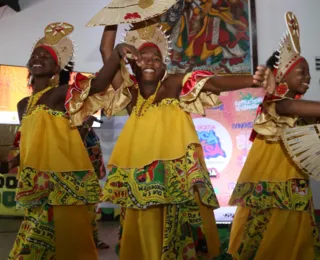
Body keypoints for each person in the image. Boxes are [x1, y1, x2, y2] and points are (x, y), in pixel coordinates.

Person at [97, 20, 273, 259]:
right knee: (144, 232)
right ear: (132, 62)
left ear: (163, 66)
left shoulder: (175, 84)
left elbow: (214, 83)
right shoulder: (130, 94)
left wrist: (253, 81)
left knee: (183, 232)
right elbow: (107, 52)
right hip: (141, 176)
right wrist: (113, 19)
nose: (150, 61)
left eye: (156, 58)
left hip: (178, 174)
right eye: (143, 56)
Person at [0, 22, 119, 260]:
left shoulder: (60, 93)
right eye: (35, 55)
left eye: (46, 56)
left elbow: (98, 85)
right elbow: (27, 144)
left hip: (64, 184)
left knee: (64, 246)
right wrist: (8, 165)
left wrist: (115, 53)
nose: (38, 58)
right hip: (38, 184)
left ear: (57, 67)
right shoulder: (24, 104)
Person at [228, 12, 320, 260]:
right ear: (282, 75)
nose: (308, 78)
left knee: (292, 226)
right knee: (269, 227)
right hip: (273, 178)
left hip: (292, 177)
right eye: (302, 72)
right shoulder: (277, 104)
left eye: (309, 73)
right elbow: (300, 109)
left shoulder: (296, 106)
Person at [78, 115, 110, 250]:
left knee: (91, 209)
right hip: (79, 175)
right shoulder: (74, 125)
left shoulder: (89, 129)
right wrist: (85, 126)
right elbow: (77, 145)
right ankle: (86, 241)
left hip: (90, 174)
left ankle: (92, 240)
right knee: (83, 210)